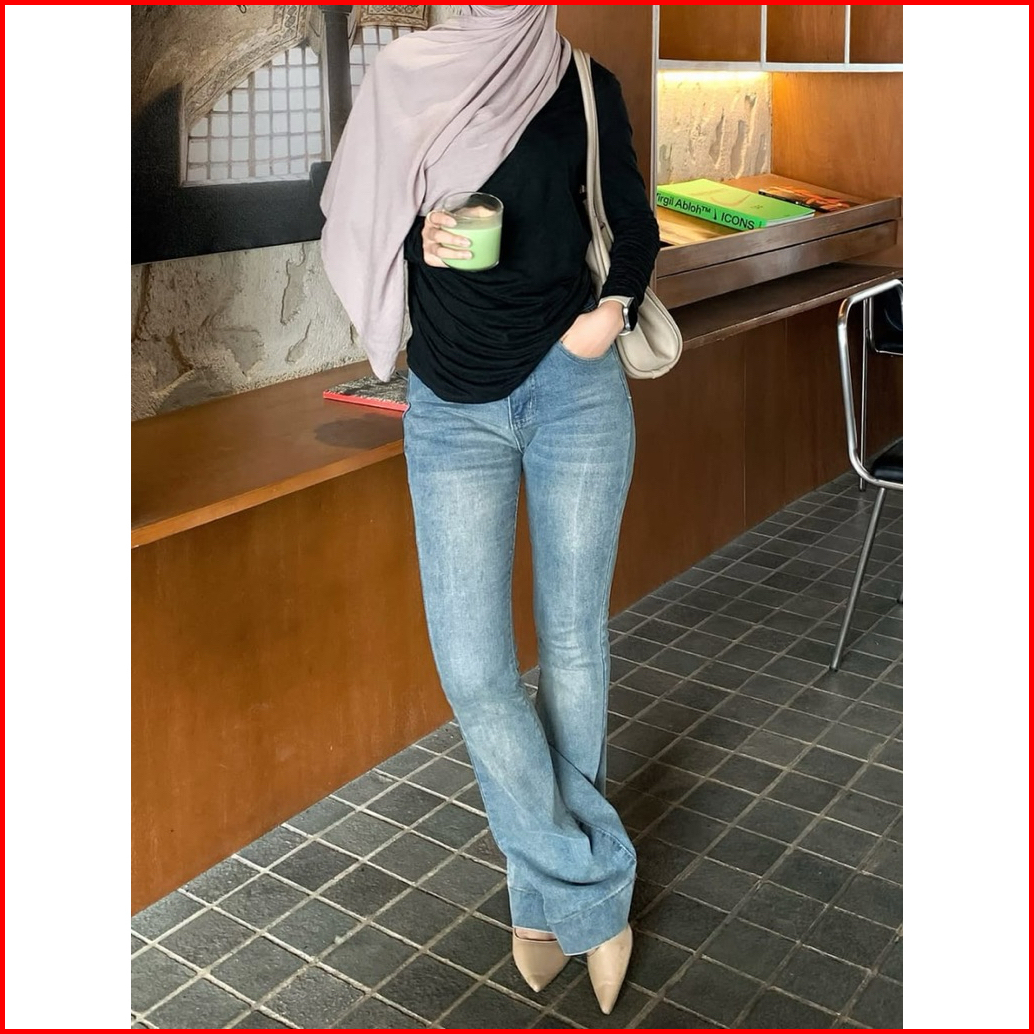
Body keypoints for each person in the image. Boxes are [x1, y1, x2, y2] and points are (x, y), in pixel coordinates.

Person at [320, 6, 660, 1015]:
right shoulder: (405, 74)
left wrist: (608, 313)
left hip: (574, 390)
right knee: (472, 667)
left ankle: (538, 900)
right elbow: (364, 216)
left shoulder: (582, 80)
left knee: (571, 642)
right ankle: (587, 884)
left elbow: (632, 223)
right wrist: (418, 237)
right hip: (451, 403)